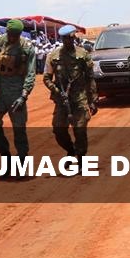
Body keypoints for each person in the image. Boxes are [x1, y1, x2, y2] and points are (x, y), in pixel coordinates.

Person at [0, 19, 36, 172]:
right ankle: (6, 157)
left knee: (19, 129)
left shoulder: (27, 48)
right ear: (6, 32)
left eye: (16, 35)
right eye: (10, 34)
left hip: (16, 93)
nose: (12, 37)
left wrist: (24, 95)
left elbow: (30, 73)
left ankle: (21, 163)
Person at [43, 25, 97, 160]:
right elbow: (46, 78)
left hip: (79, 97)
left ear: (74, 38)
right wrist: (55, 90)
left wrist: (93, 100)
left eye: (70, 38)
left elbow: (90, 78)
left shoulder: (83, 54)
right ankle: (71, 150)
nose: (67, 41)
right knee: (58, 129)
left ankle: (81, 158)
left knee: (80, 130)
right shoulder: (53, 56)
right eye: (65, 38)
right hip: (61, 99)